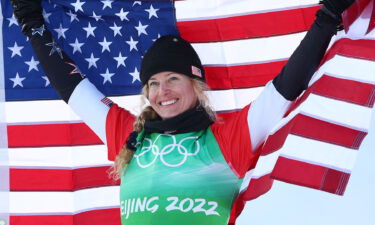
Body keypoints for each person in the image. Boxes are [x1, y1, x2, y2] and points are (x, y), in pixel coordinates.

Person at [10, 0, 355, 224]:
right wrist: (31, 23)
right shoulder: (129, 137)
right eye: (154, 84)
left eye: (173, 78)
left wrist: (326, 21)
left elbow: (285, 86)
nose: (164, 92)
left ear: (197, 85)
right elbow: (71, 87)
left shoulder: (227, 138)